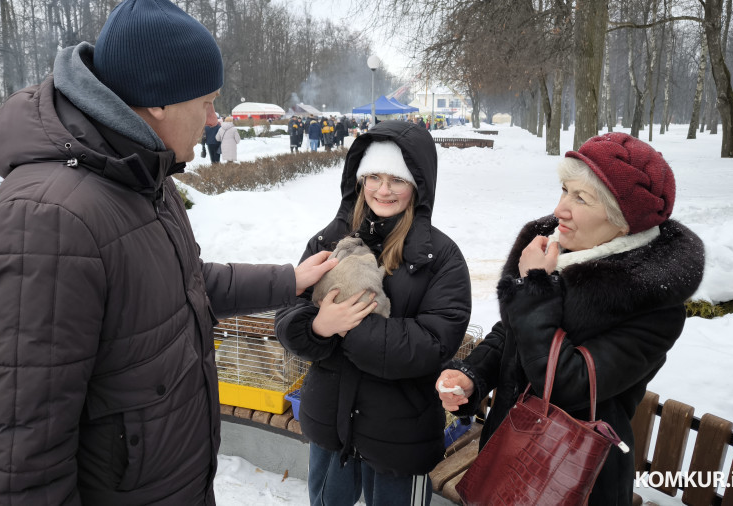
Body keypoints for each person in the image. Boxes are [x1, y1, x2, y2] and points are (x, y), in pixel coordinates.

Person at [0, 0, 338, 503]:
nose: (212, 118)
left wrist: (288, 280)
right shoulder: (45, 219)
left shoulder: (138, 179)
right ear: (157, 100)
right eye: (205, 102)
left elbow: (185, 283)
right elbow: (17, 459)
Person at [436, 133, 705, 506]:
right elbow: (514, 332)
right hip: (509, 457)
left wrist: (534, 288)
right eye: (564, 189)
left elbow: (567, 384)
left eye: (581, 198)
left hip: (574, 481)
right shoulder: (560, 253)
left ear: (624, 221)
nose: (561, 208)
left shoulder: (654, 304)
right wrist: (473, 376)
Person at [275, 120, 472, 506]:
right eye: (374, 177)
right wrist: (316, 326)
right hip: (332, 426)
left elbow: (434, 341)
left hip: (400, 436)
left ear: (417, 183)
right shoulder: (328, 240)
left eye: (397, 179)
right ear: (359, 179)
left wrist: (348, 329)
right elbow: (288, 315)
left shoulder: (440, 257)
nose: (384, 190)